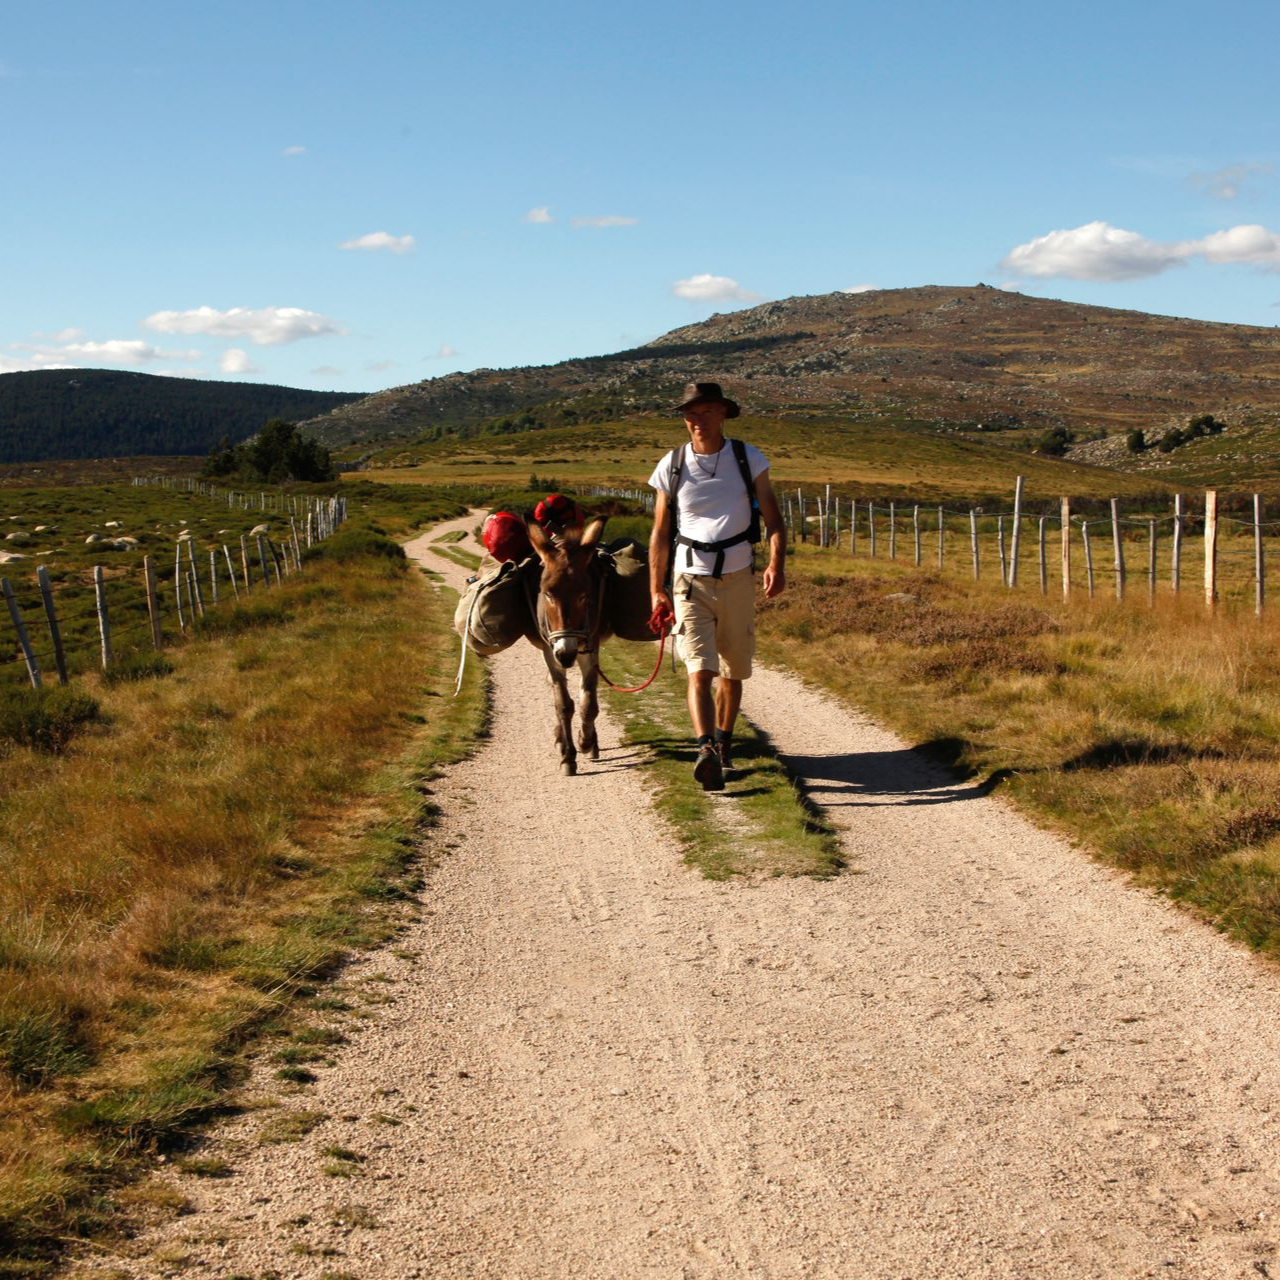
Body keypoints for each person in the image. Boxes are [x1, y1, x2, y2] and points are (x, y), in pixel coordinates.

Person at [648, 381, 786, 792]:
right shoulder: (671, 465)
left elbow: (774, 520)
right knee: (699, 669)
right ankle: (705, 748)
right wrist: (656, 589)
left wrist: (776, 564)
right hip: (689, 581)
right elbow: (660, 533)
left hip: (738, 577)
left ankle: (724, 744)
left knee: (732, 670)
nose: (698, 420)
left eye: (706, 411)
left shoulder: (748, 458)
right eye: (691, 413)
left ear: (723, 413)